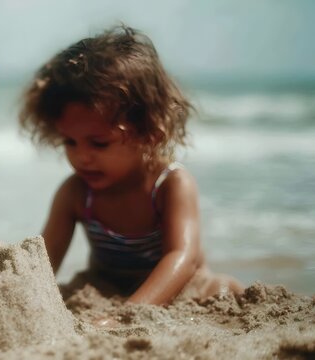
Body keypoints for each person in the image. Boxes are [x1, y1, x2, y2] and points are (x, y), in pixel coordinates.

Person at [19, 25, 242, 307]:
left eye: (99, 143)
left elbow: (182, 258)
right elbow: (43, 261)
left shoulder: (170, 185)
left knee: (218, 290)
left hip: (178, 285)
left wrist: (129, 312)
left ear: (149, 132)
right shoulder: (77, 193)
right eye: (70, 142)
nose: (81, 156)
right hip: (105, 285)